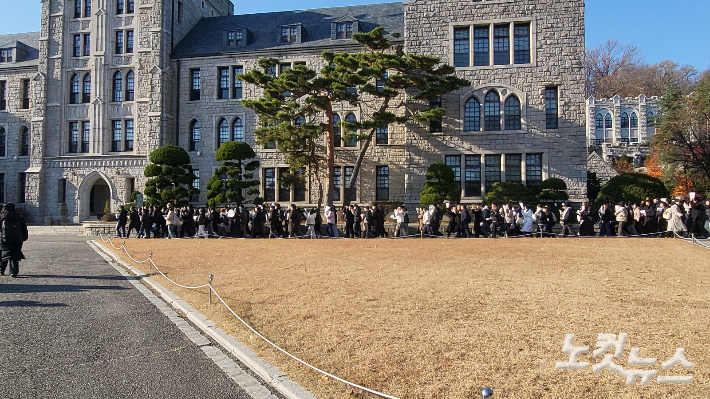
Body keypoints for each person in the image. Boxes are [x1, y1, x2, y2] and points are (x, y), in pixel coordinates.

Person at [0, 203, 29, 278]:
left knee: (3, 255)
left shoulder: (2, 217)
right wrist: (24, 238)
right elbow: (24, 228)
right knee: (14, 256)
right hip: (17, 240)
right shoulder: (18, 217)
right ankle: (13, 272)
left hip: (4, 240)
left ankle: (1, 270)